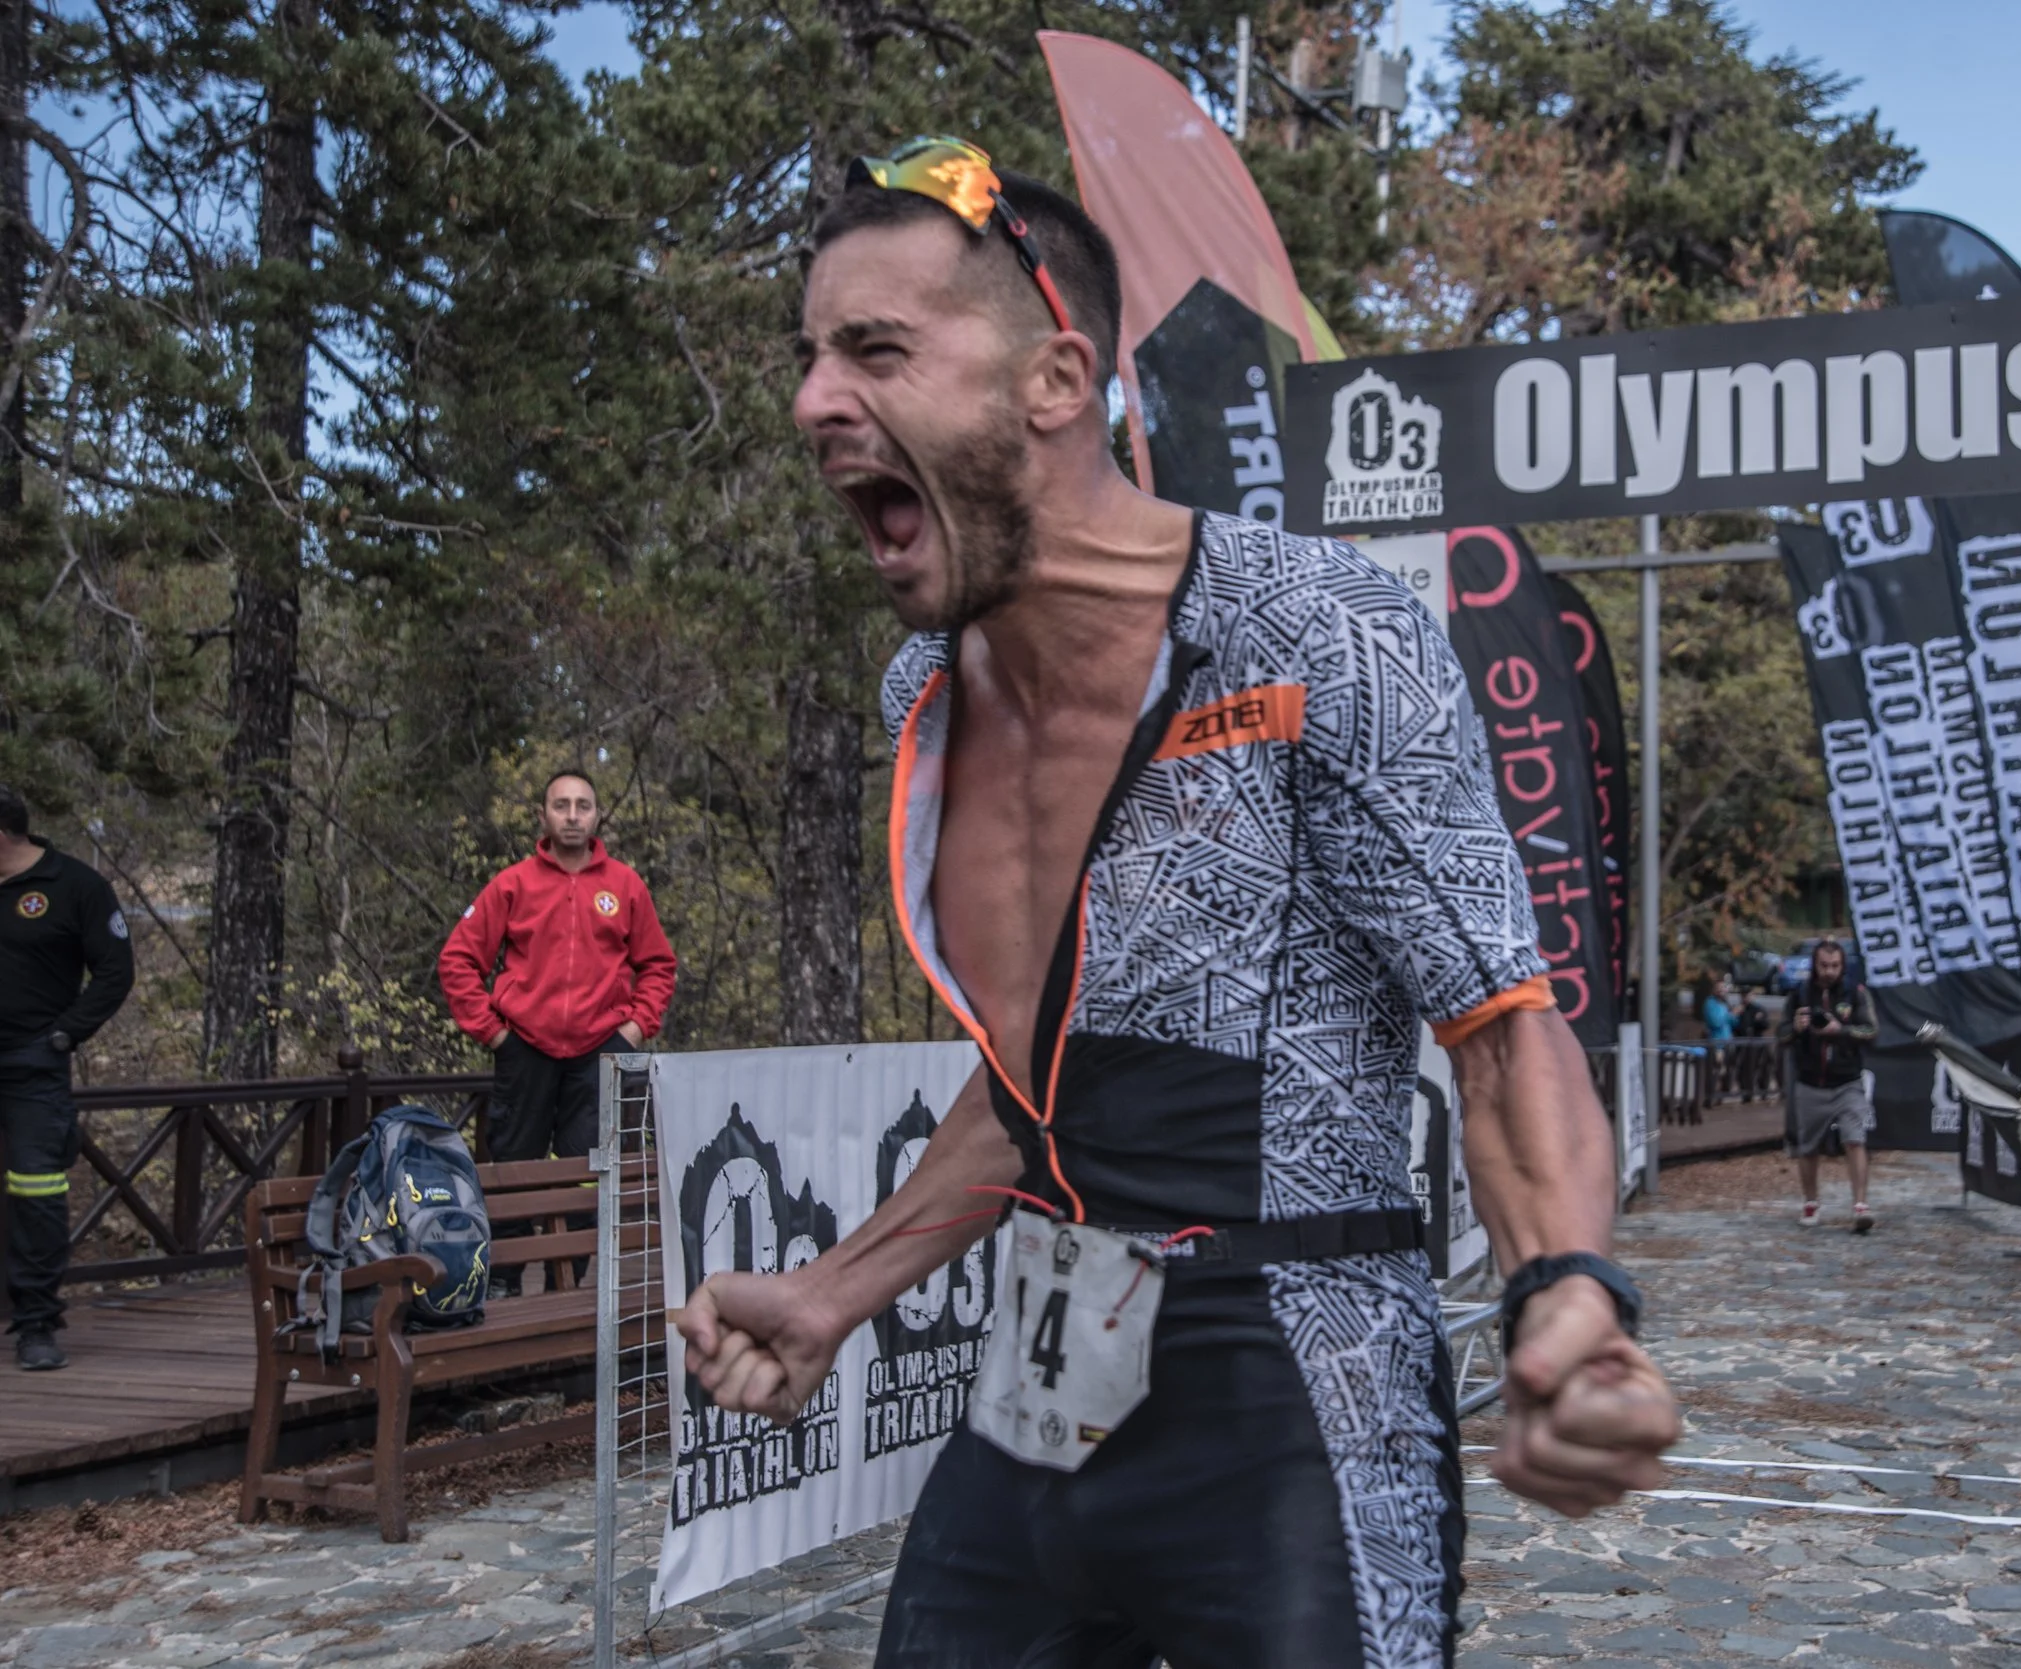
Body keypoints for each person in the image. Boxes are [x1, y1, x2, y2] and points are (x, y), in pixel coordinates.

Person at [677, 138, 1680, 1669]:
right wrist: (836, 1293)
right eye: (810, 357)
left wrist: (1568, 1290)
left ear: (1055, 380)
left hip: (1290, 1383)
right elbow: (1042, 1094)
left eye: (875, 349)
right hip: (1039, 1379)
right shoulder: (921, 699)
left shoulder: (1315, 637)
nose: (814, 401)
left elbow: (1498, 1026)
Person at [437, 770, 676, 1294]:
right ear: (543, 816)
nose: (572, 815)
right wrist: (494, 1033)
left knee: (587, 1176)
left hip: (600, 1054)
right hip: (524, 1050)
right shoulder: (513, 884)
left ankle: (567, 1288)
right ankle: (501, 1285)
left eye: (583, 806)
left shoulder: (625, 886)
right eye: (562, 805)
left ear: (597, 816)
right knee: (514, 1170)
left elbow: (658, 966)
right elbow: (457, 960)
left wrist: (632, 1031)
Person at [0, 784, 134, 1370]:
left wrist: (65, 1034)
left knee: (36, 1191)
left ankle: (35, 1324)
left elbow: (114, 972)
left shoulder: (76, 887)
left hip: (32, 1066)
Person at [1783, 938, 1877, 1233]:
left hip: (1846, 1080)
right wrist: (1795, 1029)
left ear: (1842, 966)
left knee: (1854, 1139)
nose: (1829, 971)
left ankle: (1860, 1205)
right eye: (1824, 965)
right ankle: (1811, 1202)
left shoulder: (1855, 993)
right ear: (1814, 964)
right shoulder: (1799, 993)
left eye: (1835, 966)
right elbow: (1780, 1035)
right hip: (1810, 1081)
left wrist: (1842, 1030)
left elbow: (1871, 1030)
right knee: (1808, 1146)